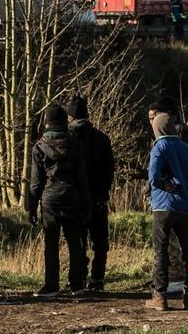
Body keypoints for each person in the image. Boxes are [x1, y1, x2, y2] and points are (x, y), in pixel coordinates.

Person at [26, 104, 91, 298]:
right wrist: (87, 204)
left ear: (46, 123)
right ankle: (77, 284)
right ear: (64, 122)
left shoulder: (39, 147)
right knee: (74, 242)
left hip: (49, 200)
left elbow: (36, 183)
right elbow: (83, 179)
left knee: (51, 244)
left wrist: (31, 206)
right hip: (72, 198)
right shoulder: (77, 145)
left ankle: (51, 285)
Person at [146, 112, 188, 312]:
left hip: (163, 206)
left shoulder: (159, 147)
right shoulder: (187, 149)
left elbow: (153, 175)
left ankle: (160, 296)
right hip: (185, 206)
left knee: (160, 250)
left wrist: (161, 184)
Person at [66, 97, 114, 291]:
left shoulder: (68, 139)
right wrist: (102, 193)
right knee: (100, 242)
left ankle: (78, 277)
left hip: (75, 198)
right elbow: (109, 170)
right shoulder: (101, 138)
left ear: (70, 116)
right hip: (98, 197)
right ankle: (98, 278)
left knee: (77, 241)